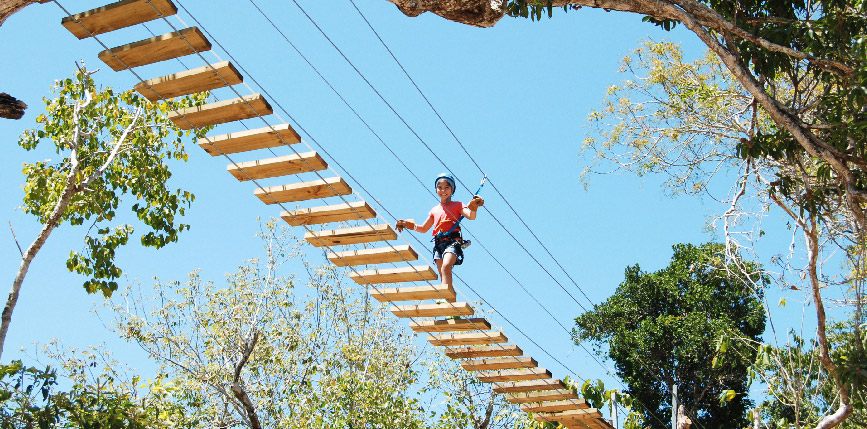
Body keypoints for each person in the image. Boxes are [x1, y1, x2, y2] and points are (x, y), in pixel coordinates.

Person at [395, 173, 484, 292]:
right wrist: (408, 224)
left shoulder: (458, 205)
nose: (443, 190)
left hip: (452, 242)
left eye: (446, 187)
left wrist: (474, 206)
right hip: (438, 244)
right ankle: (450, 302)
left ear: (452, 189)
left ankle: (445, 297)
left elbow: (471, 216)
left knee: (446, 267)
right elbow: (423, 228)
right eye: (440, 187)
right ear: (436, 189)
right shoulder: (434, 210)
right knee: (443, 274)